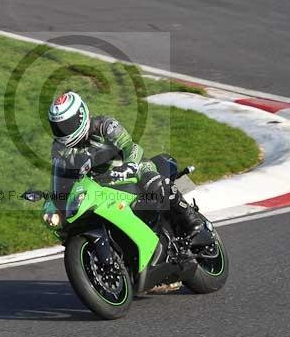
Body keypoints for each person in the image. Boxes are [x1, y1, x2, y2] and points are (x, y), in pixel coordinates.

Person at [47, 91, 204, 236]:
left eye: (66, 125)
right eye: (58, 128)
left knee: (155, 184)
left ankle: (189, 217)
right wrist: (54, 199)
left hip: (132, 167)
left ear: (80, 116)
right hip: (99, 185)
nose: (63, 132)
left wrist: (129, 165)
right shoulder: (60, 149)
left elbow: (130, 146)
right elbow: (60, 177)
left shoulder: (104, 126)